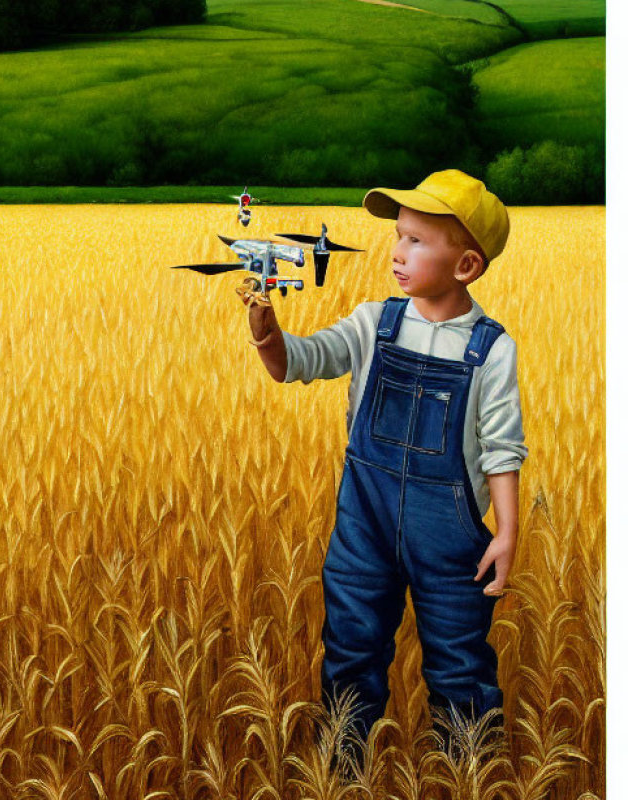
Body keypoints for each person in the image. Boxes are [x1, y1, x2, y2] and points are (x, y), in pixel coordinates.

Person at [241, 169, 527, 744]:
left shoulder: (491, 349)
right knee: (350, 651)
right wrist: (268, 334)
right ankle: (343, 772)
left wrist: (507, 530)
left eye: (416, 241)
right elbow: (303, 362)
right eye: (398, 235)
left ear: (466, 265)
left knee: (460, 666)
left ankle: (467, 775)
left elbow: (501, 445)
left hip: (450, 543)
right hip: (363, 528)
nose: (396, 252)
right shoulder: (375, 323)